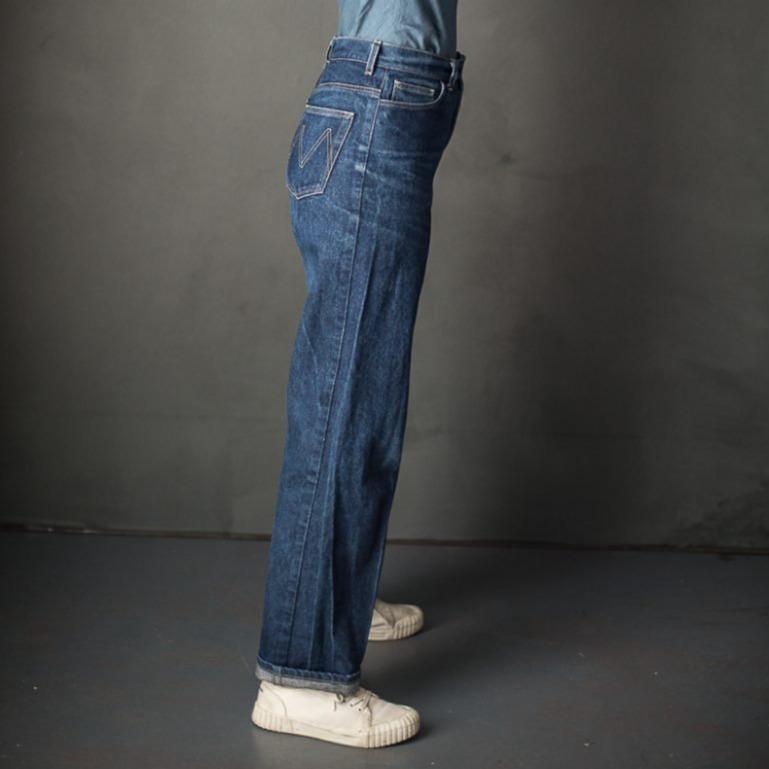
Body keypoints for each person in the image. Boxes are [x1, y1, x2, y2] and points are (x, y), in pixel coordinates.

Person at [252, 0, 465, 749]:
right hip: (378, 105)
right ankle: (303, 677)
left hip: (382, 98)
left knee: (357, 396)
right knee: (347, 407)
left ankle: (330, 601)